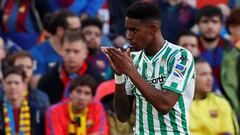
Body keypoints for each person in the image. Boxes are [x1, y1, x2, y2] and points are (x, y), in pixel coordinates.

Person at [101, 1, 196, 134]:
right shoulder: (133, 59)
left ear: (153, 29)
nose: (128, 36)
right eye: (127, 29)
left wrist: (130, 71)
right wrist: (119, 75)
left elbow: (165, 105)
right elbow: (122, 116)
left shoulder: (180, 56)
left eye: (134, 30)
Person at [38, 30, 104, 104]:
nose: (71, 56)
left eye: (76, 51)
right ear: (61, 51)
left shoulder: (97, 80)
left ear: (85, 53)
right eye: (67, 51)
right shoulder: (48, 79)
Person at [30, 10, 81, 88]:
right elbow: (36, 85)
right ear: (60, 30)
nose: (78, 34)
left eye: (80, 29)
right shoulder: (38, 53)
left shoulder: (81, 50)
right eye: (74, 30)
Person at [190, 58, 239, 135]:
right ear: (191, 78)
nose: (209, 79)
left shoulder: (221, 101)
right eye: (204, 74)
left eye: (210, 74)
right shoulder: (181, 105)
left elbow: (229, 132)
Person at [0, 67, 46, 135]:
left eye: (17, 83)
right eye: (9, 83)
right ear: (3, 86)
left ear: (24, 86)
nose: (13, 87)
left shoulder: (37, 112)